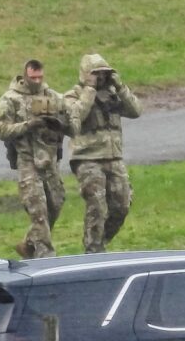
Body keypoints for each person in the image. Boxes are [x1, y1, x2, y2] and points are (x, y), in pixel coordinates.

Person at [64, 53, 142, 253]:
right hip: (87, 158)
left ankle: (101, 240)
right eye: (96, 73)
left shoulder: (113, 94)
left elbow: (135, 111)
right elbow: (75, 116)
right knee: (97, 205)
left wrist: (120, 87)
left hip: (114, 156)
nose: (100, 77)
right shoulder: (73, 95)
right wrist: (89, 90)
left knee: (122, 204)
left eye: (104, 73)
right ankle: (93, 250)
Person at [0, 59, 66, 259]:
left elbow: (69, 116)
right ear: (25, 76)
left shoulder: (52, 96)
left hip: (49, 160)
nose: (37, 81)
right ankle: (46, 258)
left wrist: (58, 122)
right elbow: (1, 129)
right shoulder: (11, 99)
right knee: (38, 211)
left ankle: (28, 244)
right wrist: (28, 125)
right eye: (33, 77)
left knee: (55, 205)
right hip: (27, 160)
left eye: (40, 77)